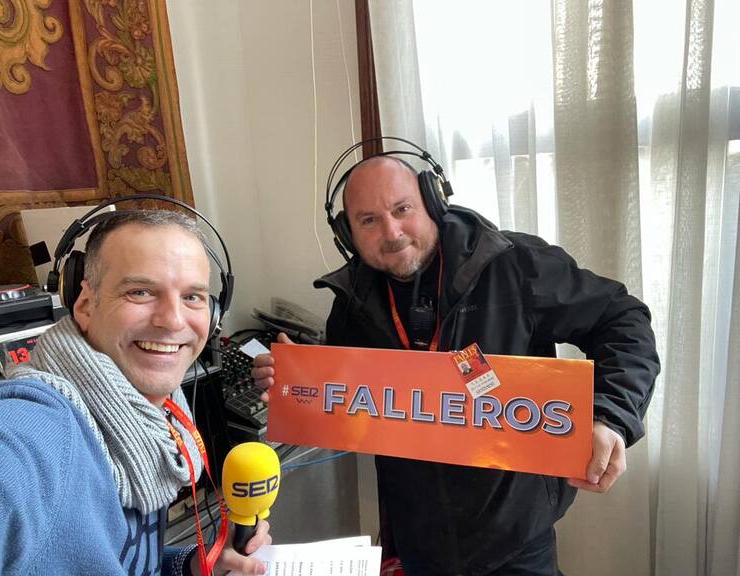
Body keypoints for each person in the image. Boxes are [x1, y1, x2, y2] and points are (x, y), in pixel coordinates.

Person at [252, 154, 660, 575]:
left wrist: (609, 416)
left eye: (402, 209)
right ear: (347, 233)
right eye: (368, 220)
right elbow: (349, 405)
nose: (391, 232)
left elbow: (622, 320)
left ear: (432, 201)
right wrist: (295, 382)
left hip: (516, 539)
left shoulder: (512, 265)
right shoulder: (353, 302)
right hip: (419, 542)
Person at [0, 210, 270, 575]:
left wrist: (193, 566)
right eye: (140, 292)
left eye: (192, 296)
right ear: (84, 305)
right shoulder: (34, 427)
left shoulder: (152, 413)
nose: (173, 320)